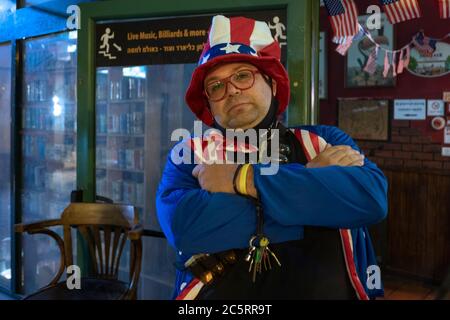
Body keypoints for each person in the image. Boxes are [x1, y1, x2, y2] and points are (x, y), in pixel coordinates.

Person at [156, 15, 388, 300]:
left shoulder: (324, 140)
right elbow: (187, 229)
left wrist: (242, 179)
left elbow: (371, 198)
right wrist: (314, 190)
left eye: (243, 75)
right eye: (216, 86)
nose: (231, 91)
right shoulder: (189, 155)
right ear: (208, 103)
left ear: (273, 85)